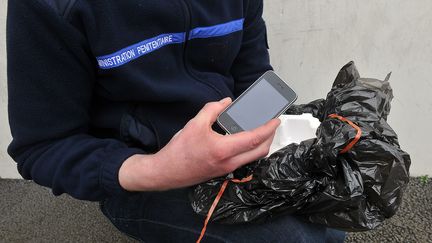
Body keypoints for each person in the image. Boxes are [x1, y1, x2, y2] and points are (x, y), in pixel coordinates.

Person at [7, 0, 346, 242]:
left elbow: (252, 74)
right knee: (293, 239)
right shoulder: (49, 6)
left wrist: (284, 139)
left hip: (230, 144)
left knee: (334, 214)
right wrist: (160, 169)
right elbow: (42, 147)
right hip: (142, 175)